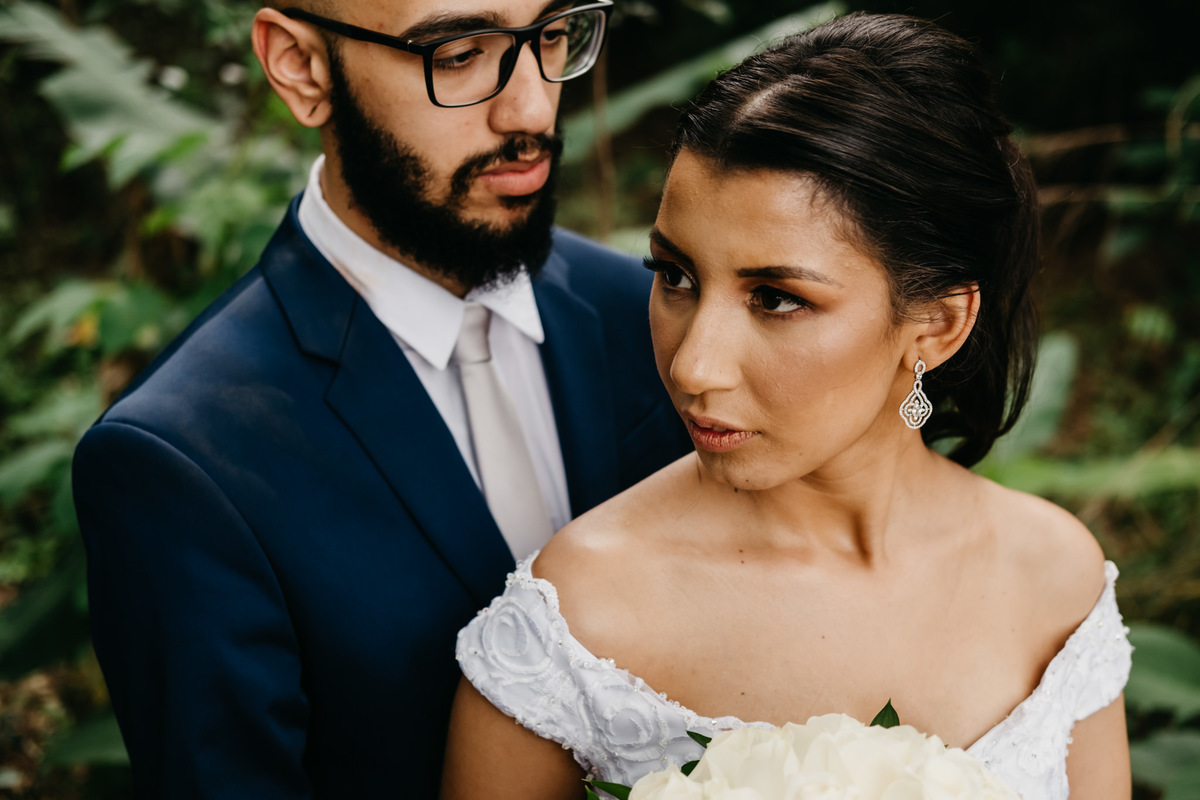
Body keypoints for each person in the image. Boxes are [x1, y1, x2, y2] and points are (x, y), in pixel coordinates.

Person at [444, 12, 1133, 800]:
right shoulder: (581, 623)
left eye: (775, 298)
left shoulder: (1054, 579)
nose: (694, 365)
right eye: (675, 276)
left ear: (938, 325)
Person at [71, 0, 690, 796]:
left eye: (550, 36)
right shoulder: (178, 461)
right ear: (302, 68)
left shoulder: (655, 316)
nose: (532, 109)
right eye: (458, 54)